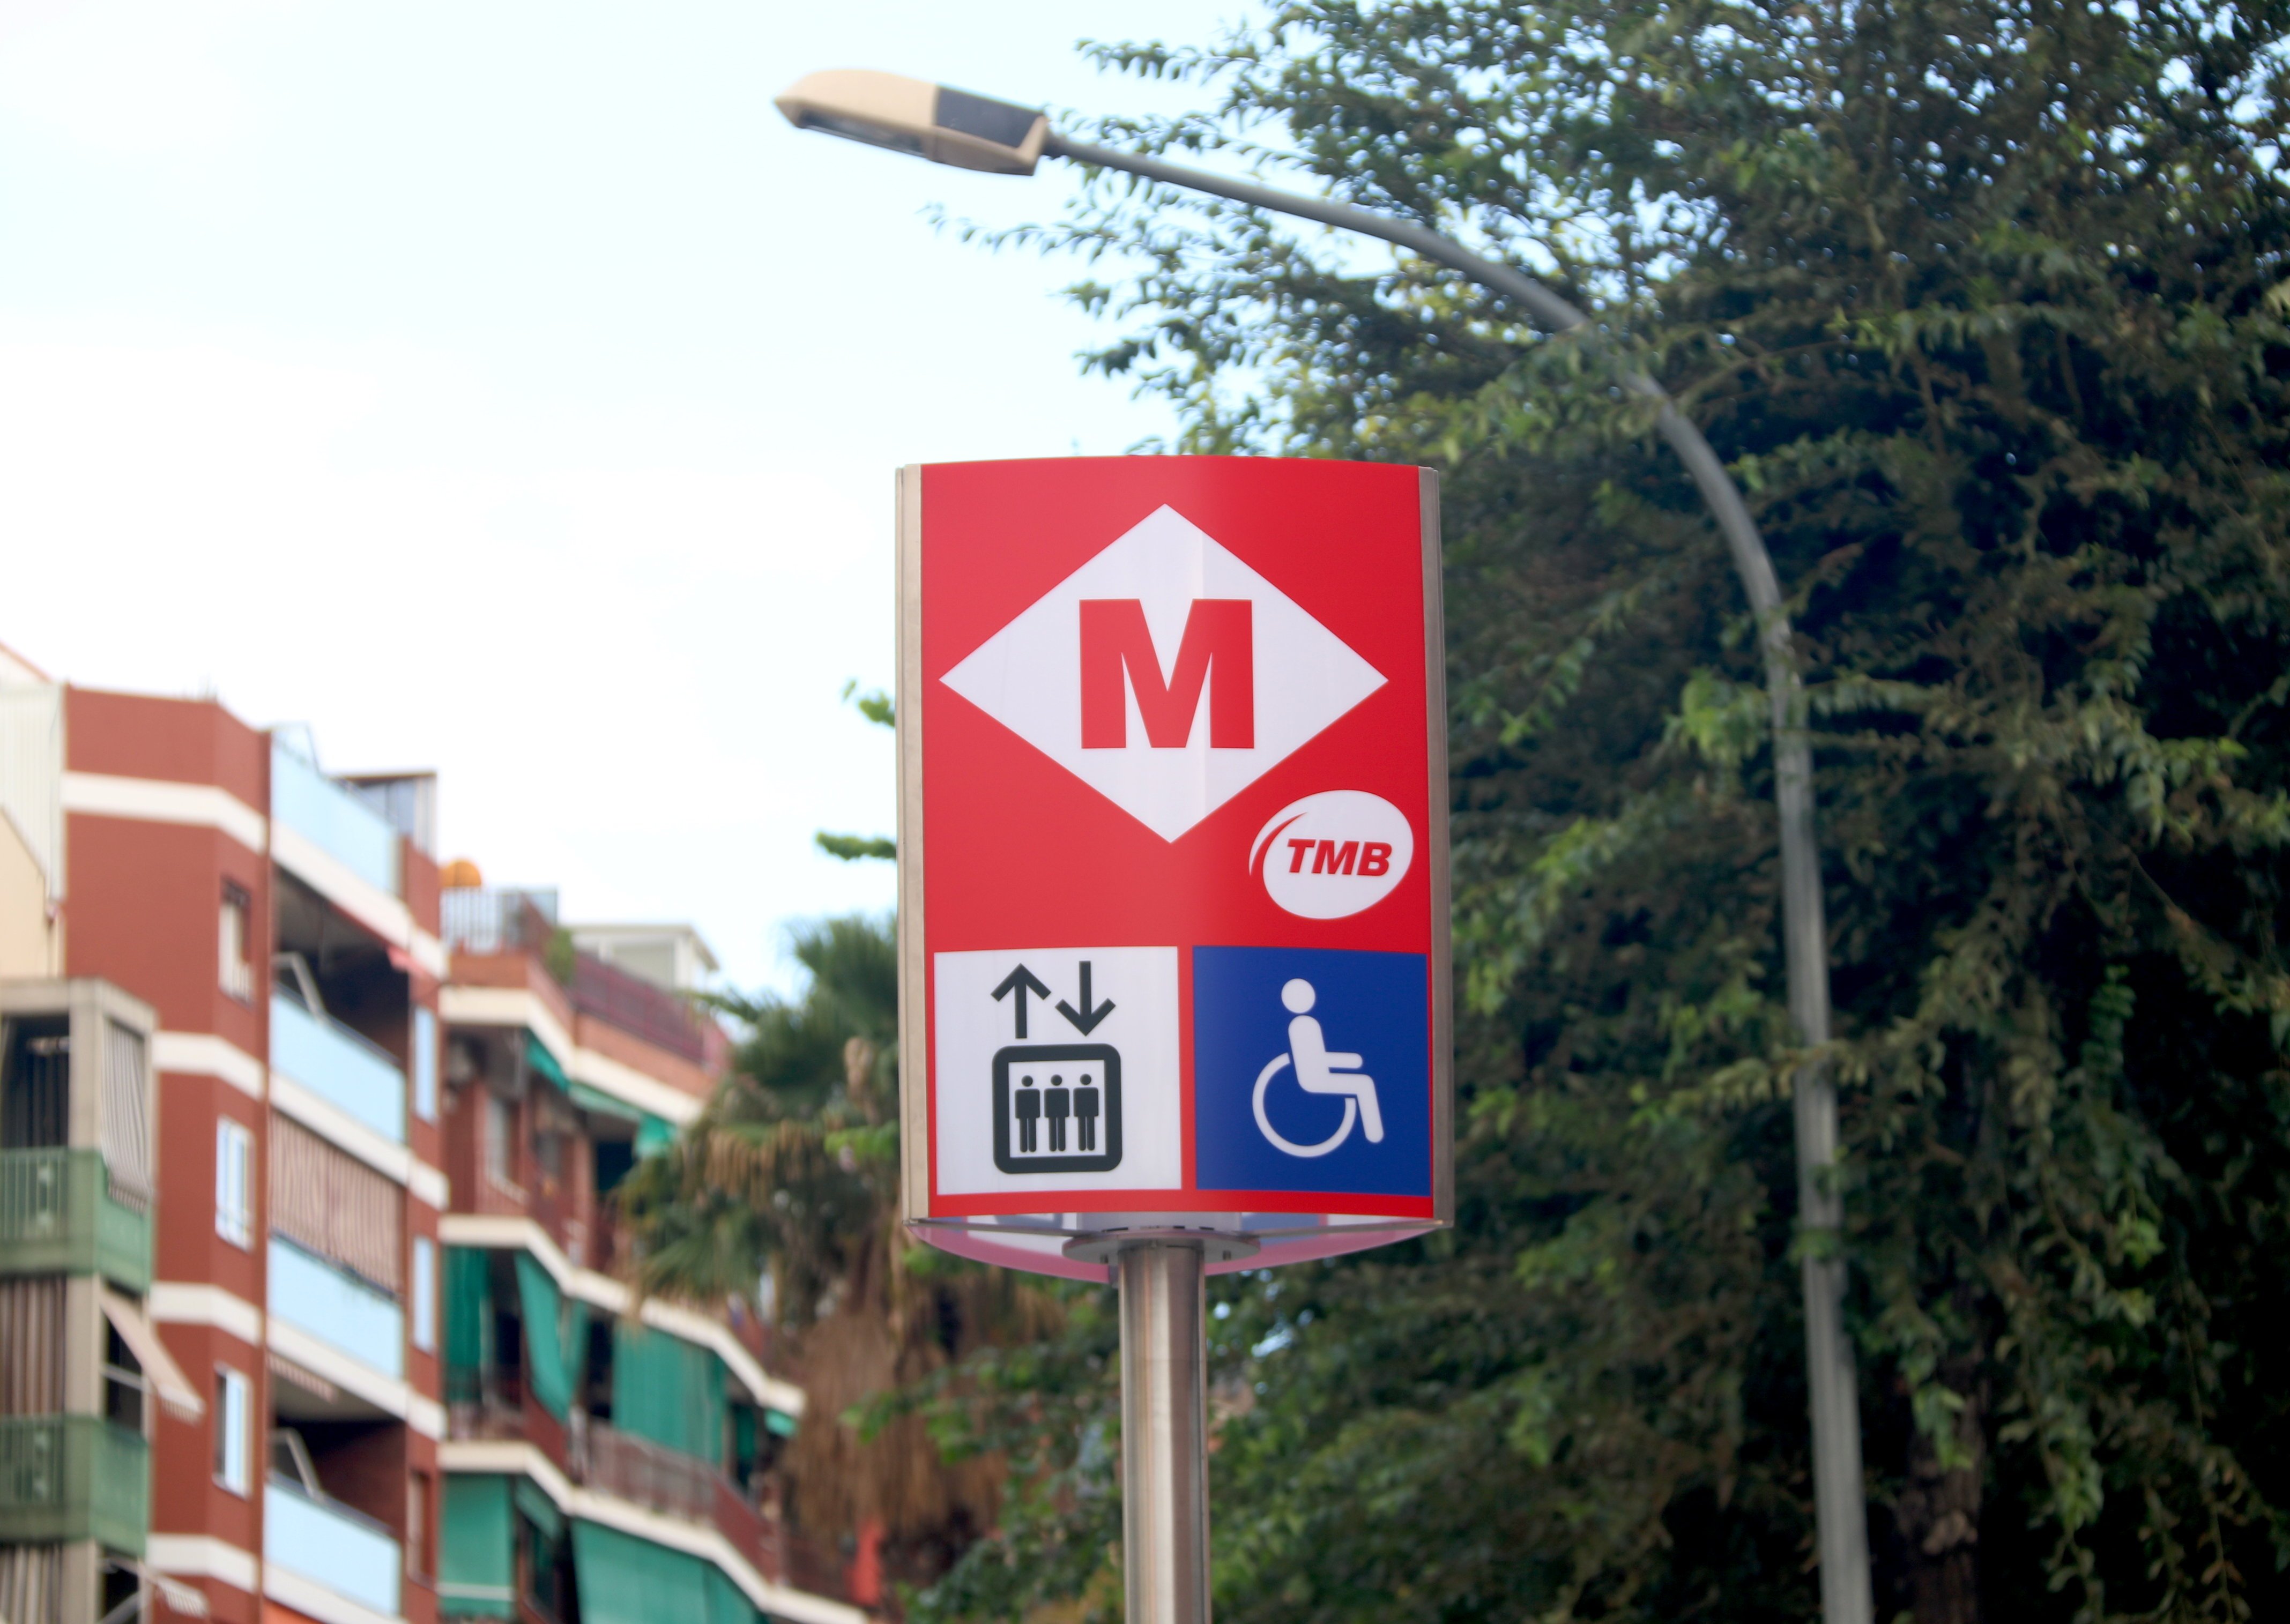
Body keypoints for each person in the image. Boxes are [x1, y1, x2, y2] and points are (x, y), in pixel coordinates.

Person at [1281, 978, 1383, 1142]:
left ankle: (1375, 1136)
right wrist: (1351, 1061)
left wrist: (1352, 1061)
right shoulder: (1304, 1025)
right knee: (1364, 1084)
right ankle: (1374, 1136)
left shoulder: (1304, 1024)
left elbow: (1319, 1059)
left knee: (1364, 1082)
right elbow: (1314, 1061)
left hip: (1319, 1074)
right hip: (1314, 1080)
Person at [1014, 1075, 1041, 1153]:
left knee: (1024, 1131)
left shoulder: (1019, 1093)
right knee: (1032, 1130)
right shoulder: (1036, 1092)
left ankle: (1024, 1148)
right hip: (1032, 1115)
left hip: (1023, 1115)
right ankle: (1032, 1148)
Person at [1045, 1073, 1071, 1152]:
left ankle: (1053, 1147)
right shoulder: (1065, 1091)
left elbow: (1047, 1104)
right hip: (1062, 1114)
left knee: (1053, 1130)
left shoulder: (1048, 1091)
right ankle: (1062, 1147)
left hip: (1052, 1114)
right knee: (1061, 1130)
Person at [1075, 1072, 1100, 1152]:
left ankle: (1083, 1147)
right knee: (1090, 1129)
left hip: (1082, 1114)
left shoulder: (1077, 1091)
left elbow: (1076, 1103)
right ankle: (1091, 1147)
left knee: (1082, 1129)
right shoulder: (1094, 1090)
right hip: (1090, 1113)